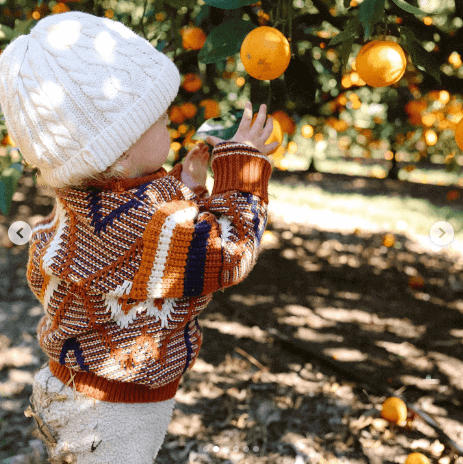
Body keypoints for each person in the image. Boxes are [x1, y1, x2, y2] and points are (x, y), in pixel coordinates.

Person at [0, 10, 276, 464]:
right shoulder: (147, 222)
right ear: (123, 147)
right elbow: (228, 252)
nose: (171, 125)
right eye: (160, 119)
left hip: (66, 386)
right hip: (113, 414)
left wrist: (185, 188)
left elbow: (136, 237)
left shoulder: (79, 201)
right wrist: (243, 173)